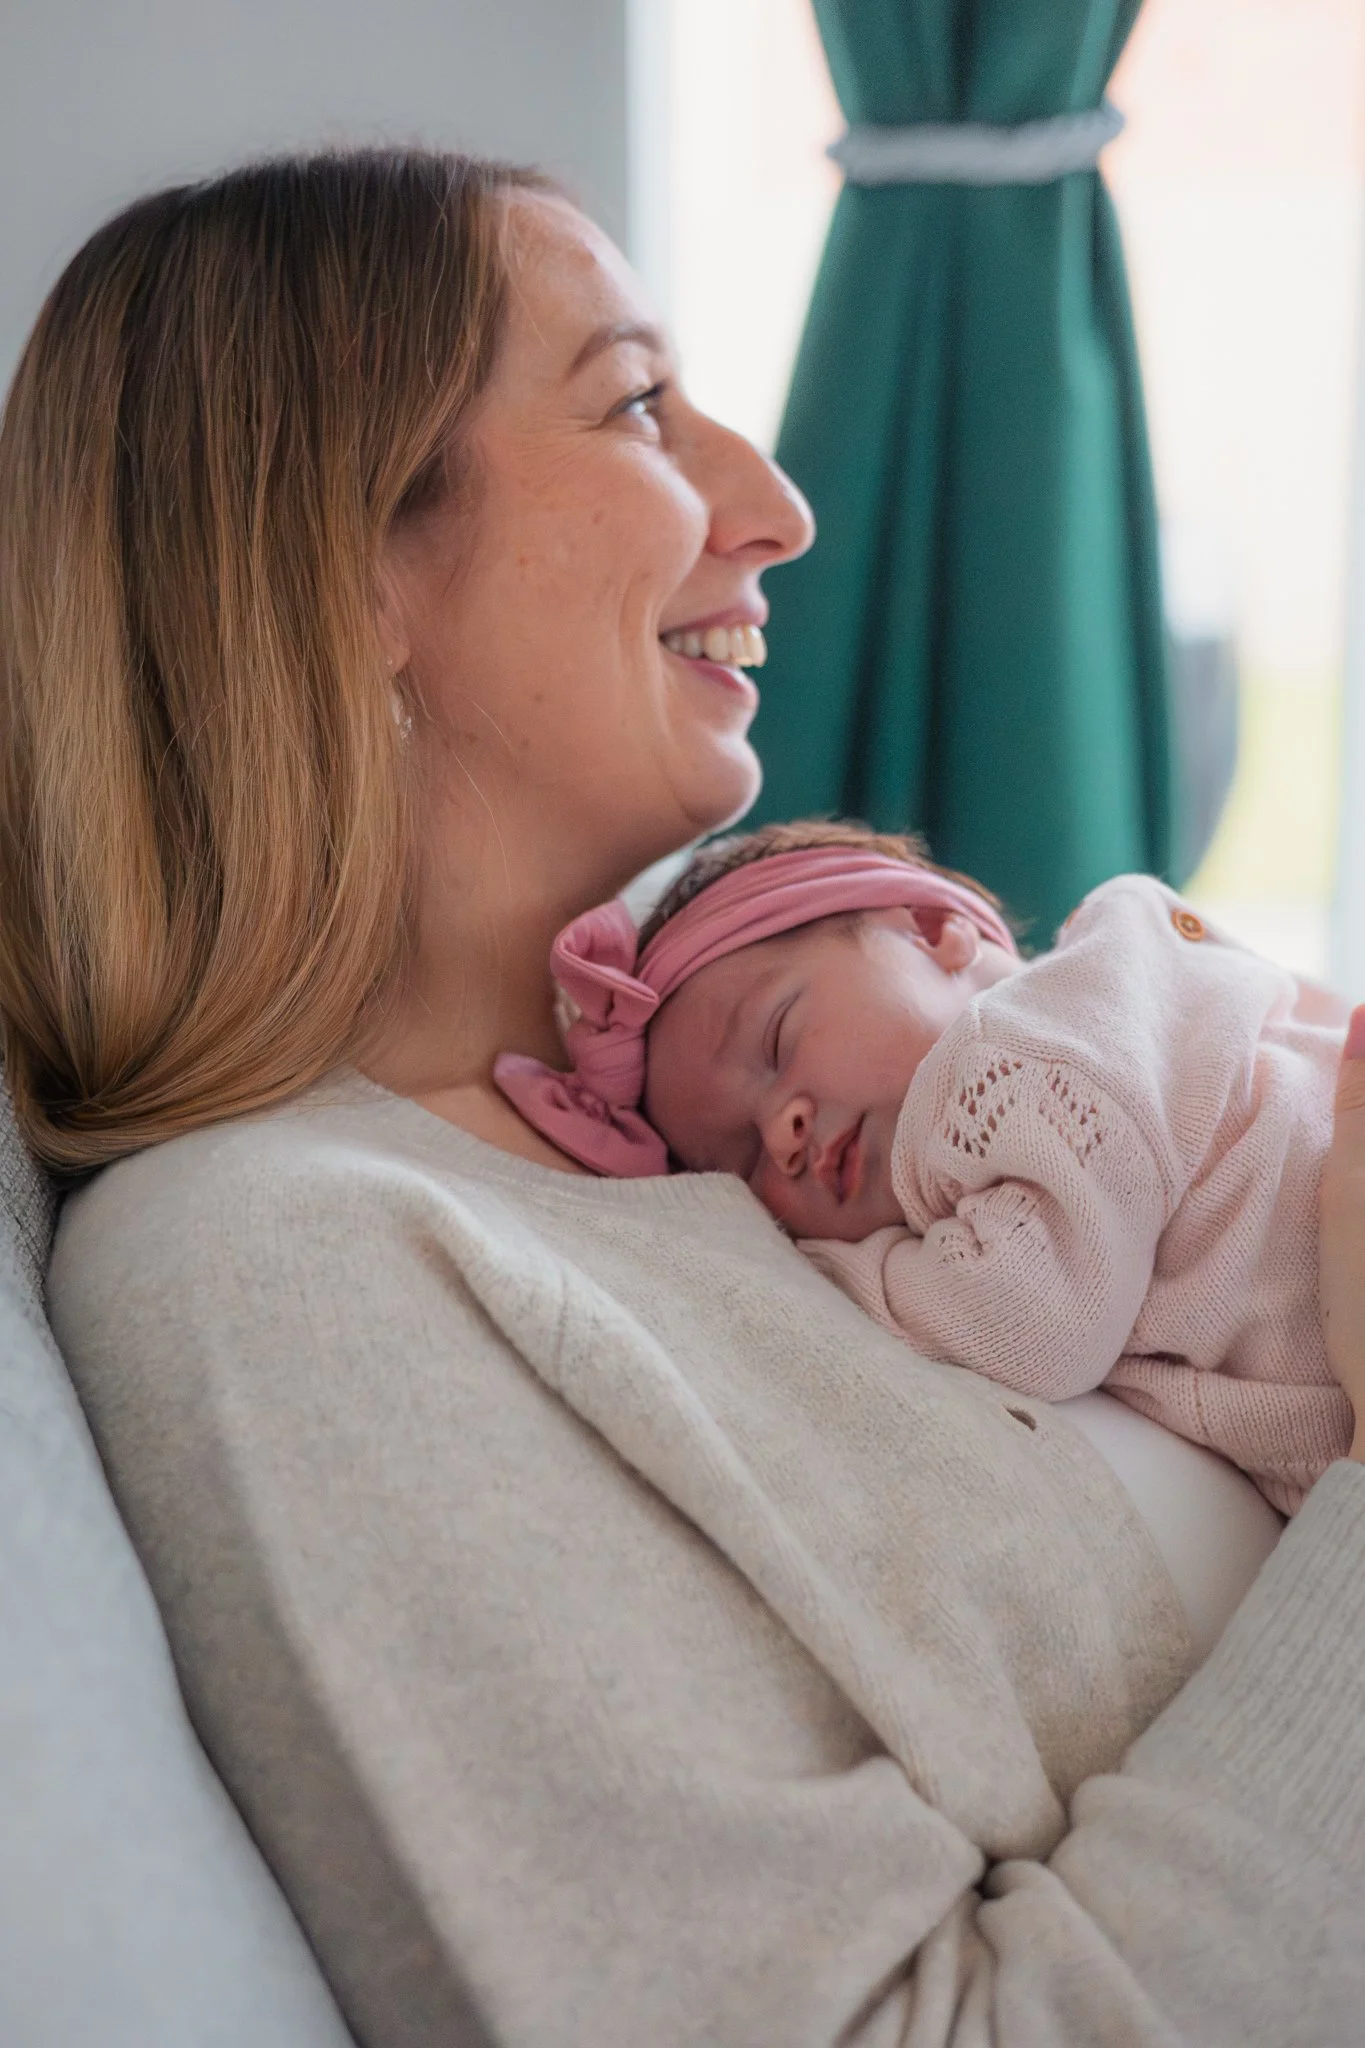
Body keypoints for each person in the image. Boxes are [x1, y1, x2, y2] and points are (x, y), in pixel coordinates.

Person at [3, 146, 1364, 2046]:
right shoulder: (279, 1270)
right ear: (347, 563)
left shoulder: (748, 1112)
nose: (781, 505)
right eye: (640, 404)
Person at [499, 819, 1352, 1516]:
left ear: (932, 933)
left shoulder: (1017, 1051)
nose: (782, 1126)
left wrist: (818, 1268)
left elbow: (1035, 1326)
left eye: (777, 1037)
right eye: (740, 1158)